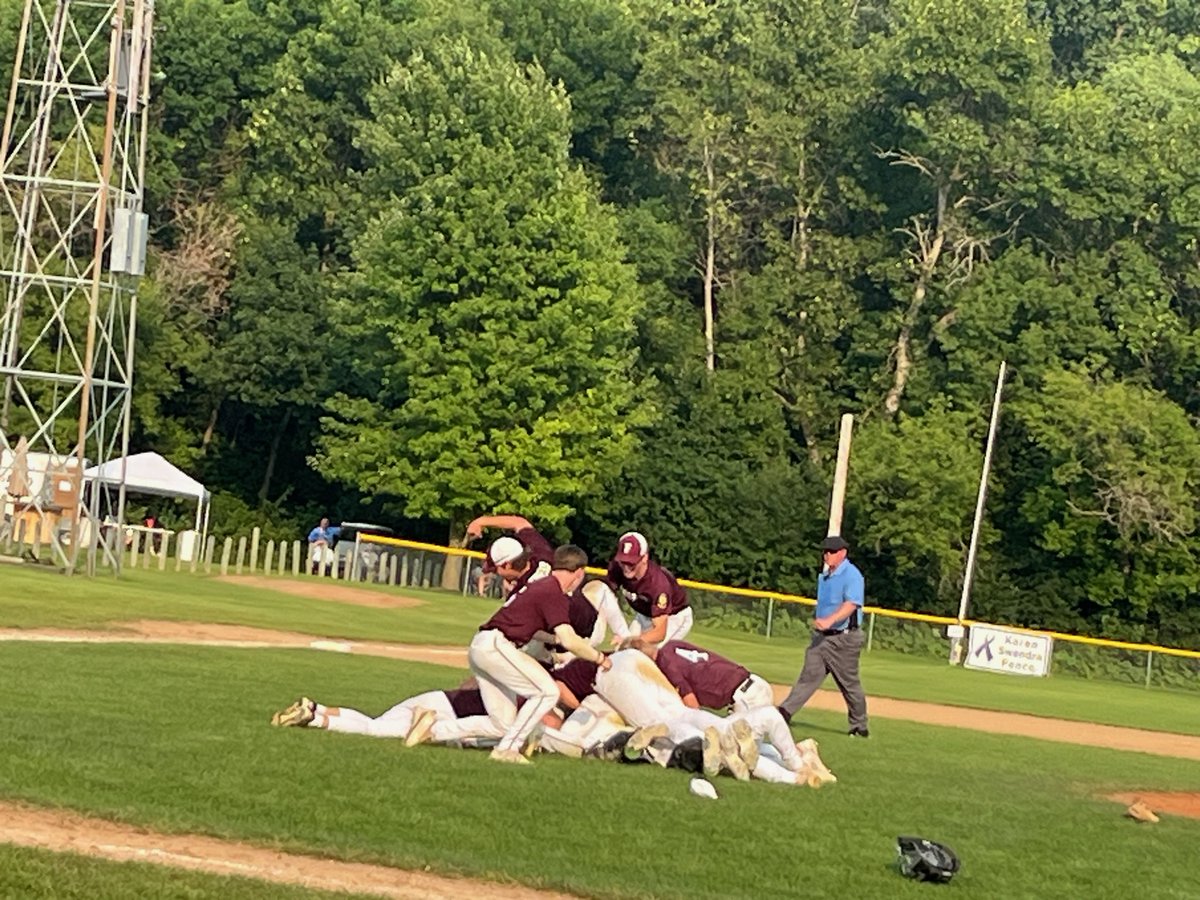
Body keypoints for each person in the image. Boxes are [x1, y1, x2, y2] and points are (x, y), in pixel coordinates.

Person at [426, 544, 612, 765]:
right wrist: (600, 658)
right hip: (496, 645)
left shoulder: (542, 586)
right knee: (546, 692)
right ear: (579, 572)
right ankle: (508, 750)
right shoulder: (553, 592)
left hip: (485, 646)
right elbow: (571, 640)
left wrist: (554, 640)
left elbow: (538, 631)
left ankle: (435, 729)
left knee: (503, 724)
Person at [778, 534, 869, 737]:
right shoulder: (826, 576)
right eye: (825, 551)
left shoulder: (852, 575)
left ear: (843, 553)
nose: (827, 555)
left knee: (849, 683)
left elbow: (851, 604)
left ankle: (859, 726)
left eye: (832, 552)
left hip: (843, 638)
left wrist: (831, 620)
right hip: (822, 637)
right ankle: (784, 712)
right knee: (808, 677)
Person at [634, 638, 774, 713]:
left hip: (746, 698)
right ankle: (793, 753)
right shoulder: (672, 645)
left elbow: (692, 705)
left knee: (737, 753)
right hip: (754, 684)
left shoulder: (666, 665)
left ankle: (793, 756)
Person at [604, 531, 692, 646]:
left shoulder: (657, 584)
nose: (626, 567)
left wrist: (629, 641)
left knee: (649, 656)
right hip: (645, 614)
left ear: (645, 558)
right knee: (623, 653)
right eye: (623, 561)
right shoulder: (616, 568)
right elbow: (605, 595)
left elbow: (659, 633)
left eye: (631, 562)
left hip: (673, 617)